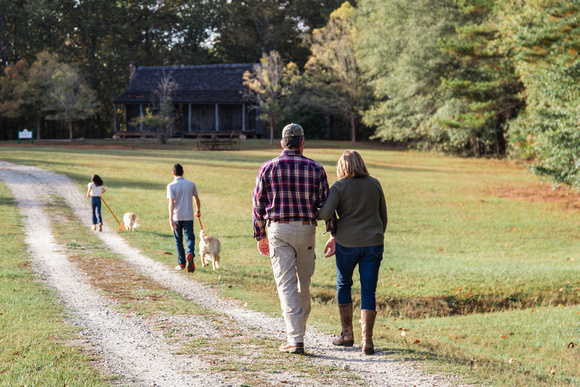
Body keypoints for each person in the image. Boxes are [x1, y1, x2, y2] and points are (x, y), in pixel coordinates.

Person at [252, 123, 331, 354]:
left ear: (282, 143)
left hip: (279, 229)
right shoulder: (316, 169)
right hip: (306, 229)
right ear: (302, 143)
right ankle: (297, 333)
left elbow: (258, 204)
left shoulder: (267, 168)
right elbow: (326, 206)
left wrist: (260, 235)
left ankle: (296, 338)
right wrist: (332, 232)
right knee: (303, 284)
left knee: (286, 285)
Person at [317, 150, 387, 355]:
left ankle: (347, 334)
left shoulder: (339, 187)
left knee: (344, 284)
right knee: (368, 290)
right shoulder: (375, 184)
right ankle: (368, 341)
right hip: (374, 243)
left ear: (342, 167)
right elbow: (383, 217)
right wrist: (374, 235)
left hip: (347, 244)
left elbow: (325, 214)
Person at [167, 163, 201, 272]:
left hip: (177, 216)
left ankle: (181, 263)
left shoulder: (171, 186)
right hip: (188, 216)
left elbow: (171, 203)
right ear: (183, 172)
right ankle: (190, 252)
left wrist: (170, 219)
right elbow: (196, 198)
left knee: (178, 240)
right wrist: (198, 210)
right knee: (190, 237)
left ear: (173, 174)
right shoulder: (191, 184)